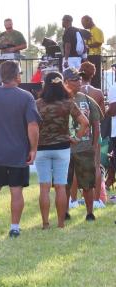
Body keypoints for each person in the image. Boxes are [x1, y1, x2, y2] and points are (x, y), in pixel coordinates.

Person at [0, 61, 41, 237]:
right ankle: (14, 228)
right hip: (19, 153)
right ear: (17, 75)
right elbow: (32, 125)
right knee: (16, 190)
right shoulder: (26, 97)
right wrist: (33, 148)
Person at [35, 71, 88, 229]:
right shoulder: (68, 102)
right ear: (62, 84)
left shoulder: (37, 104)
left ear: (45, 84)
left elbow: (31, 126)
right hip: (63, 147)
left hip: (42, 148)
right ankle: (60, 223)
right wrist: (76, 138)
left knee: (44, 187)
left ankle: (45, 224)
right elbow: (84, 123)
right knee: (60, 186)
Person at [63, 67, 102, 221]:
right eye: (75, 79)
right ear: (65, 82)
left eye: (80, 78)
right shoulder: (60, 101)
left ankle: (89, 212)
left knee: (88, 183)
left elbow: (96, 124)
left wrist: (94, 146)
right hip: (64, 149)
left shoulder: (87, 100)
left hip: (84, 148)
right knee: (64, 183)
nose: (79, 81)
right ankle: (64, 211)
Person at [79, 61, 107, 208]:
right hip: (94, 132)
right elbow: (101, 115)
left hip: (78, 132)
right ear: (93, 74)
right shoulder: (98, 92)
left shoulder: (74, 91)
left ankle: (72, 200)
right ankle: (96, 200)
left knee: (76, 165)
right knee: (96, 166)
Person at [81, 16, 104, 89]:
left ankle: (96, 93)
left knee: (95, 77)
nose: (83, 25)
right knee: (88, 76)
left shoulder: (97, 30)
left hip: (95, 56)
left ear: (89, 21)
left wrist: (87, 46)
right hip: (89, 56)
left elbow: (98, 43)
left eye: (83, 23)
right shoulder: (89, 31)